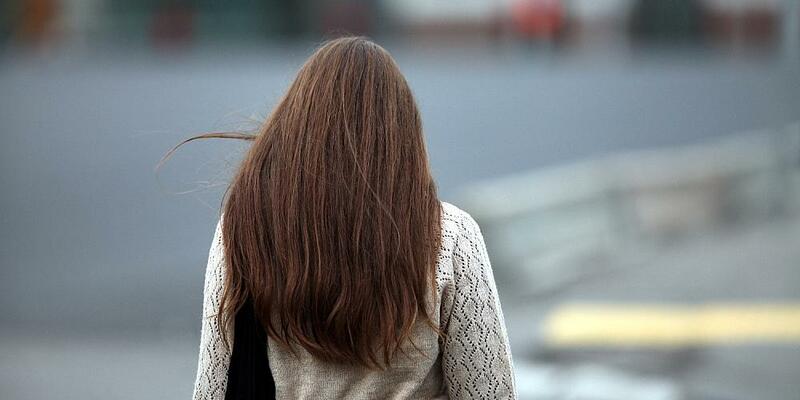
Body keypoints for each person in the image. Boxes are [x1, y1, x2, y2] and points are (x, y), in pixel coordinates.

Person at [186, 36, 515, 399]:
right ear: (400, 136)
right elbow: (489, 390)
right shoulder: (449, 235)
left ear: (297, 128)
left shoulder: (246, 227)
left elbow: (213, 386)